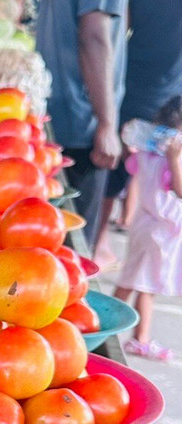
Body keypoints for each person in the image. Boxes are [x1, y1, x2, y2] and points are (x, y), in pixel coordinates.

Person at [94, 0, 182, 267]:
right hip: (167, 94)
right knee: (151, 173)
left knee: (120, 167)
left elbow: (120, 26)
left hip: (131, 80)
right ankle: (108, 245)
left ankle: (102, 241)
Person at [35, 0, 127, 241]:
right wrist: (107, 124)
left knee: (45, 237)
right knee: (73, 242)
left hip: (56, 114)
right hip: (82, 122)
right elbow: (94, 35)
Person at [112, 96, 182, 361]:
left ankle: (103, 321)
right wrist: (175, 160)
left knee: (132, 279)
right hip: (161, 229)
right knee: (146, 284)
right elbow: (179, 190)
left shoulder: (148, 151)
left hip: (145, 223)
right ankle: (140, 339)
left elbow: (132, 167)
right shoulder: (172, 156)